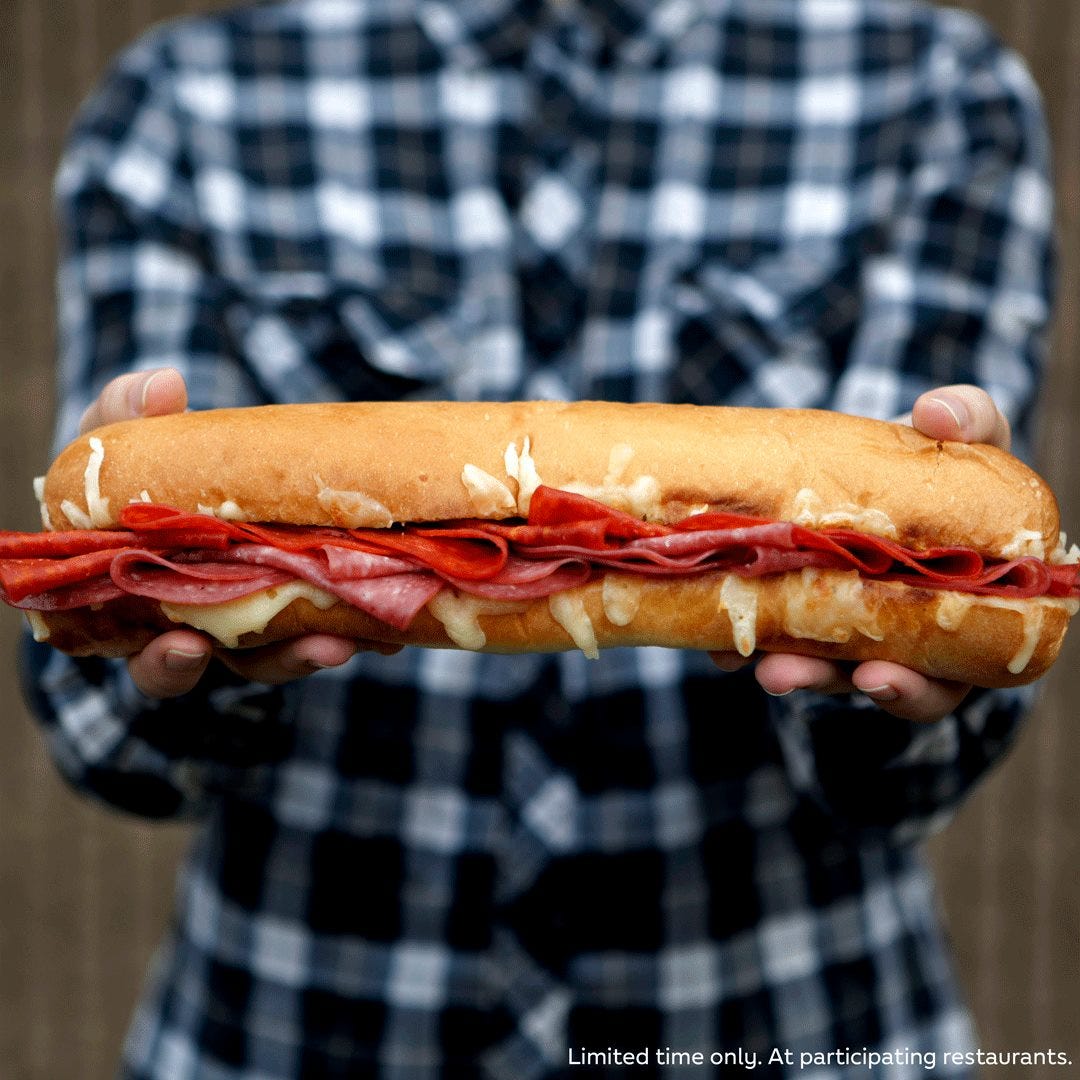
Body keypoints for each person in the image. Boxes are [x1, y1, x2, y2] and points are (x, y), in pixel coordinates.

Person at [23, 0, 1054, 1076]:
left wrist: (889, 680)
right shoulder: (185, 104)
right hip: (296, 1029)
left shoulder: (934, 88)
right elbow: (102, 747)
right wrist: (177, 639)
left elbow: (913, 783)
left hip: (794, 1027)